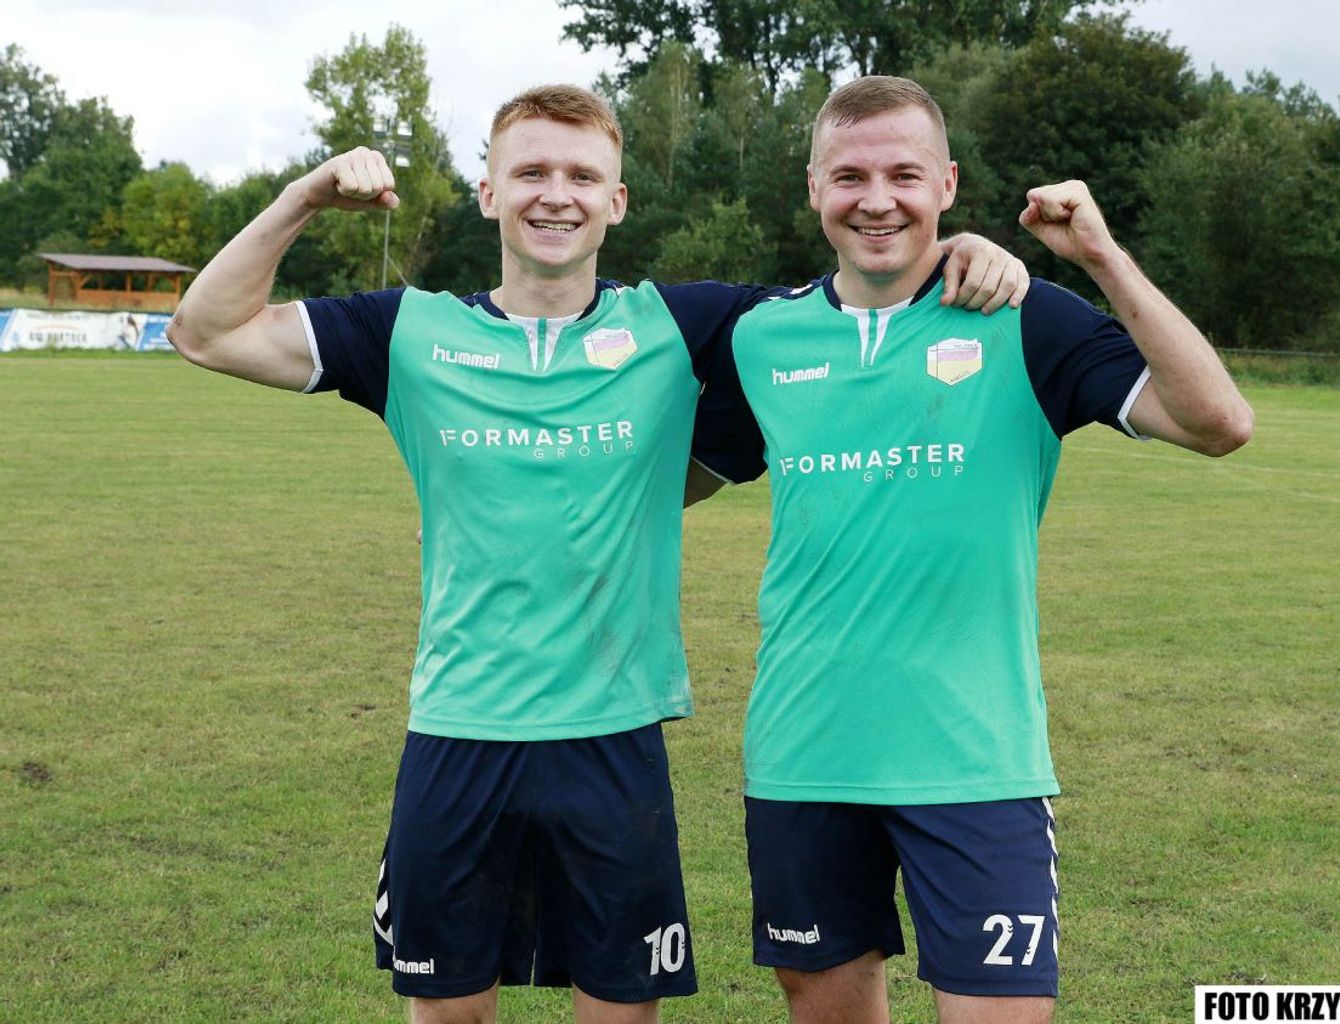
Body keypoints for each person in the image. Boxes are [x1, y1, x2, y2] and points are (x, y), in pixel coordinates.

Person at [166, 84, 1026, 1024]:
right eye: (530, 172)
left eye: (582, 176)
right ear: (488, 193)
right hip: (458, 731)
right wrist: (306, 196)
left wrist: (963, 249)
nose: (556, 194)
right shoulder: (409, 331)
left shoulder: (683, 326)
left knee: (619, 1014)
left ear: (616, 201)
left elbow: (861, 284)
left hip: (614, 739)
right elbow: (206, 331)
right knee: (448, 1013)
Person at [705, 76, 1254, 1024]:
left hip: (977, 760)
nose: (877, 200)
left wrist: (1100, 257)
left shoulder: (1024, 318)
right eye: (850, 176)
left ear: (948, 184)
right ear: (814, 188)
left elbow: (1220, 423)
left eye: (904, 175)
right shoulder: (761, 335)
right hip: (803, 753)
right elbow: (666, 473)